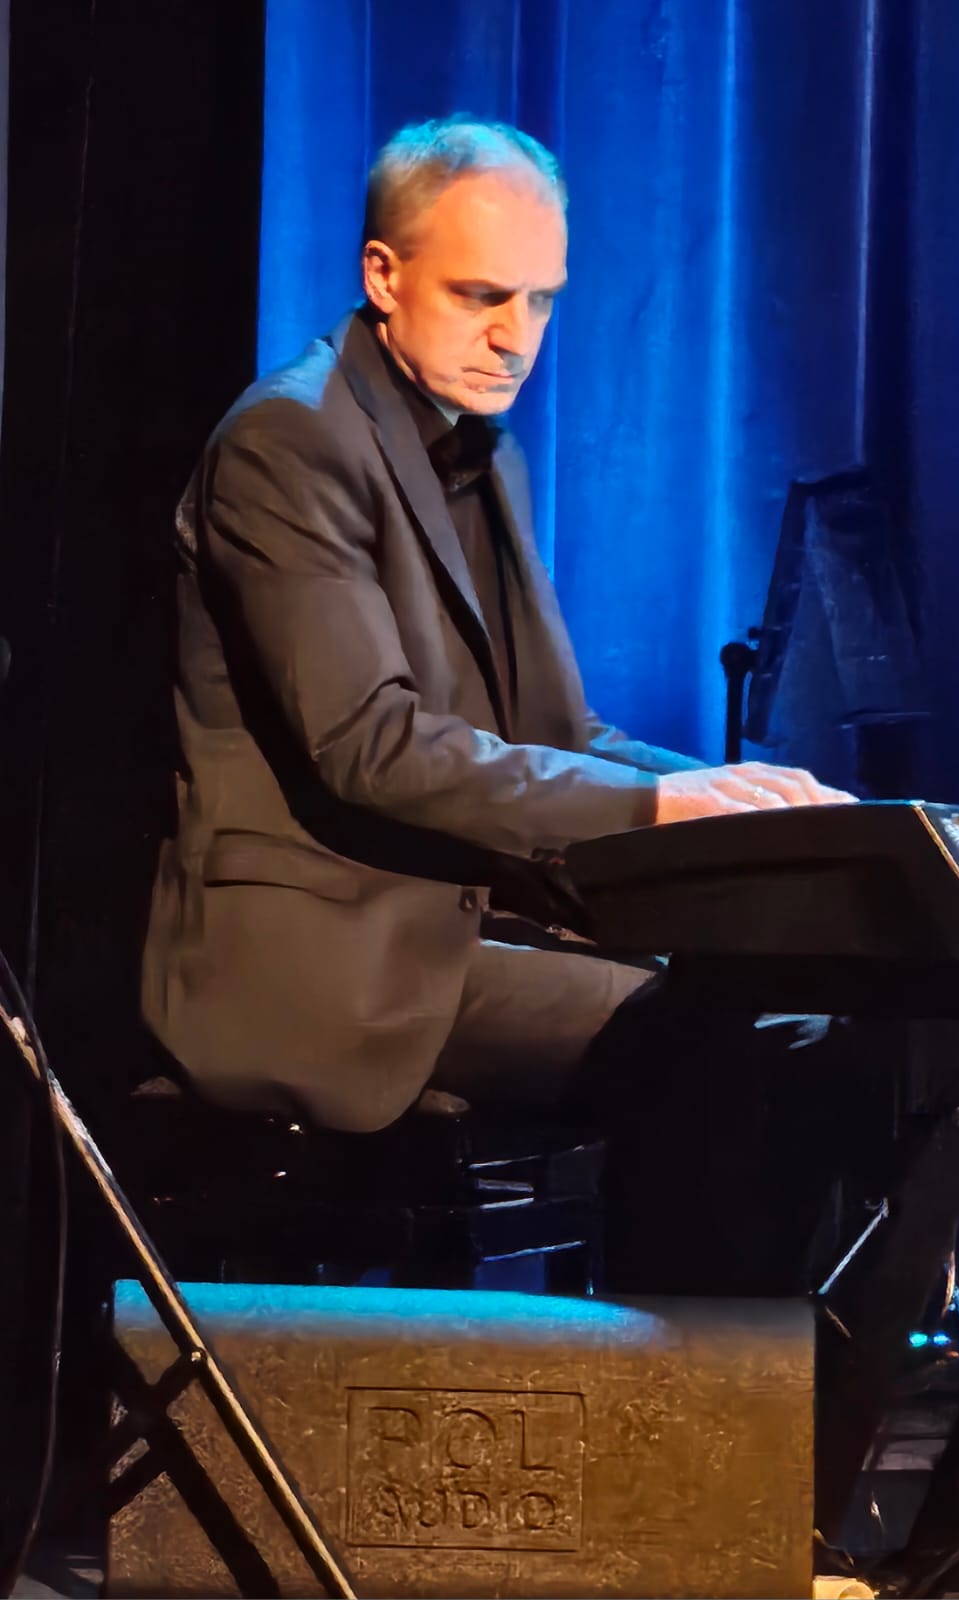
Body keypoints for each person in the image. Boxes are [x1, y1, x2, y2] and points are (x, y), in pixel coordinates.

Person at [142, 116, 852, 1291]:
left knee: (808, 1016)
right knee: (708, 1046)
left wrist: (740, 800)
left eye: (539, 301)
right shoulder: (288, 443)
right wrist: (660, 810)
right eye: (481, 296)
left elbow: (555, 736)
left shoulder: (482, 451)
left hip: (458, 926)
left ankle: (790, 1382)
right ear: (383, 275)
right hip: (325, 957)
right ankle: (686, 1389)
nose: (515, 336)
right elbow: (367, 744)